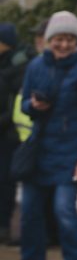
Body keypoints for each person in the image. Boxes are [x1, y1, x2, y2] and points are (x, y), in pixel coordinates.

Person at [0, 11, 77, 260]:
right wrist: (34, 107)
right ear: (48, 40)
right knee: (30, 213)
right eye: (58, 38)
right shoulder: (36, 65)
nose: (63, 44)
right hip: (40, 150)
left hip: (71, 153)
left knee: (64, 211)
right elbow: (23, 106)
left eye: (70, 39)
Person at [0, 22, 37, 243]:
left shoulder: (19, 68)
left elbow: (15, 105)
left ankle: (3, 226)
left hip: (10, 135)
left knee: (5, 182)